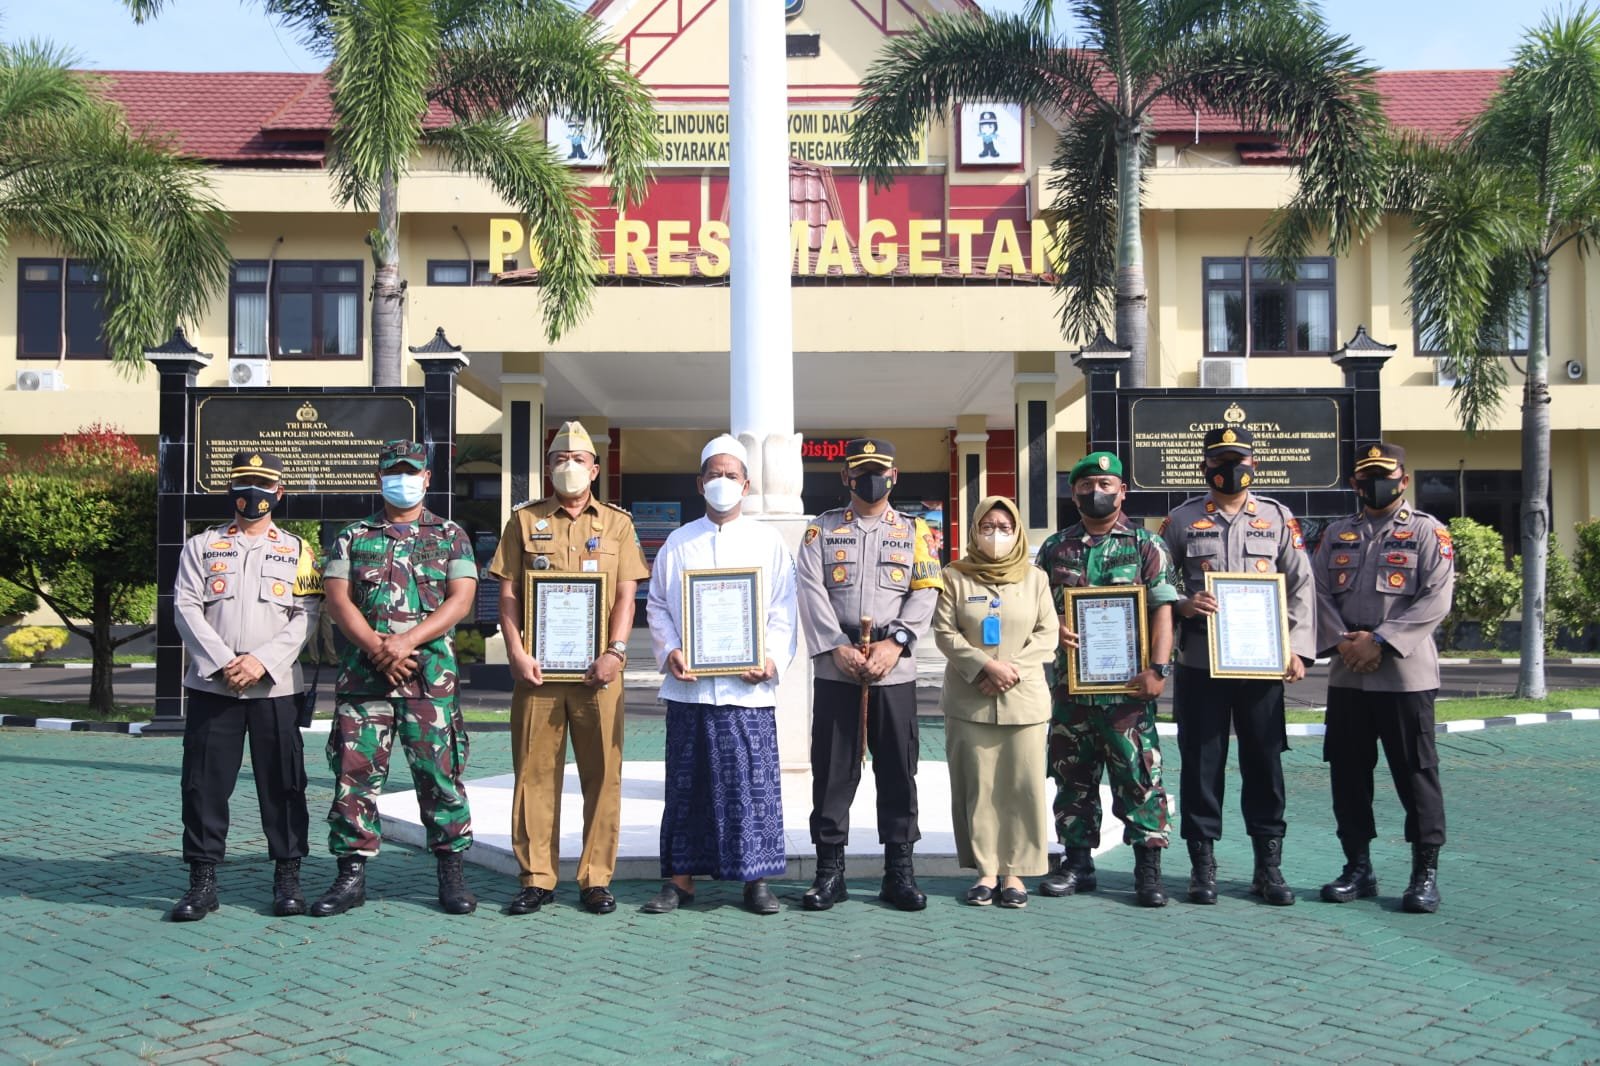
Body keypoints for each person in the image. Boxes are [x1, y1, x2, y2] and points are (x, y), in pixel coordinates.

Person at [311, 440, 479, 917]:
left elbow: (459, 601)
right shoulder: (352, 536)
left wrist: (405, 643)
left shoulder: (451, 536)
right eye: (393, 471)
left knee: (440, 777)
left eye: (411, 472)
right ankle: (350, 877)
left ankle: (451, 875)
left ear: (426, 478)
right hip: (365, 682)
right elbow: (339, 601)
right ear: (380, 477)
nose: (401, 480)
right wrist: (378, 648)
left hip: (430, 682)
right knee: (353, 778)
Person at [488, 420, 649, 916]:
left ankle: (595, 878)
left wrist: (616, 652)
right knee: (534, 776)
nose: (569, 468)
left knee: (603, 775)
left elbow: (626, 594)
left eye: (579, 460)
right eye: (560, 460)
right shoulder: (523, 521)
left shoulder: (617, 524)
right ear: (548, 468)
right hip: (537, 674)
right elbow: (509, 593)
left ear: (595, 469)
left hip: (598, 673)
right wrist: (514, 650)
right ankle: (537, 876)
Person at [641, 435, 799, 915]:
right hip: (691, 689)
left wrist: (770, 658)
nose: (723, 483)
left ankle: (756, 881)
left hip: (748, 691)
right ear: (699, 483)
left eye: (732, 475)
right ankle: (680, 881)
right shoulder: (678, 541)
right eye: (715, 474)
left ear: (747, 484)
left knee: (751, 786)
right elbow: (659, 606)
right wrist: (670, 651)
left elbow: (783, 611)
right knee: (686, 786)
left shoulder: (767, 542)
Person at [1161, 425, 1314, 907]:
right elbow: (1160, 584)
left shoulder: (1277, 517)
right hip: (1201, 664)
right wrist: (1185, 604)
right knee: (1201, 765)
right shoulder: (1181, 520)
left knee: (1264, 764)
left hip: (1263, 666)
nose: (1231, 469)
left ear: (1254, 464)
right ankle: (1201, 867)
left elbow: (1301, 585)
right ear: (1205, 467)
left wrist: (1298, 649)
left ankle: (1268, 867)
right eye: (1221, 461)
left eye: (1239, 460)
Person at [169, 450, 321, 921]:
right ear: (230, 490)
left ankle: (288, 878)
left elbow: (307, 615)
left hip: (274, 689)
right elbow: (185, 608)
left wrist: (260, 661)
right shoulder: (200, 546)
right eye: (242, 485)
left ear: (278, 493)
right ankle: (203, 881)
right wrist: (223, 662)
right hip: (215, 688)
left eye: (262, 487)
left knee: (284, 784)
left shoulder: (299, 550)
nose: (250, 495)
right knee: (203, 786)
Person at [796, 437, 943, 912]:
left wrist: (896, 643)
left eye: (880, 471)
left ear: (894, 476)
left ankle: (898, 872)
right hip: (838, 666)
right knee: (833, 771)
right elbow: (809, 589)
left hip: (892, 669)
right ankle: (829, 872)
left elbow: (926, 591)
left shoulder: (916, 532)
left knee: (899, 770)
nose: (871, 478)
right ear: (846, 477)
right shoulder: (820, 531)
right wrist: (834, 647)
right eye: (861, 471)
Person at [1313, 443, 1455, 913]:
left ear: (1404, 479)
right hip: (1348, 675)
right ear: (1355, 484)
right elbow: (1314, 593)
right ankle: (1358, 867)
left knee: (1415, 774)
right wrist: (1346, 643)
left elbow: (1436, 598)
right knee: (1348, 776)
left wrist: (1380, 641)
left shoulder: (1427, 532)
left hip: (1404, 676)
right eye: (1367, 476)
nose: (1377, 484)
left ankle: (1424, 873)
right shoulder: (1337, 534)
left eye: (1385, 475)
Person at [1036, 452, 1179, 908]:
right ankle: (1077, 863)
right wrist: (1054, 624)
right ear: (1073, 492)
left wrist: (1158, 669)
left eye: (1105, 483)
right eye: (1085, 484)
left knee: (1138, 774)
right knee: (1071, 775)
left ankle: (1147, 871)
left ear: (1122, 491)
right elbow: (1036, 609)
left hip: (1129, 689)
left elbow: (1163, 609)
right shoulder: (1055, 548)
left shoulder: (1145, 545)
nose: (1095, 491)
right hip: (1071, 687)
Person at [932, 496, 1056, 908]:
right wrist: (984, 665)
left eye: (1005, 527)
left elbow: (1047, 633)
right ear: (974, 531)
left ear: (1018, 531)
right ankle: (986, 871)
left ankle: (1015, 873)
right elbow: (945, 632)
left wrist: (1011, 670)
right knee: (978, 789)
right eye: (988, 527)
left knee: (1021, 788)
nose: (997, 535)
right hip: (971, 699)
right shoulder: (954, 575)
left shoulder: (1035, 578)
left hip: (1024, 699)